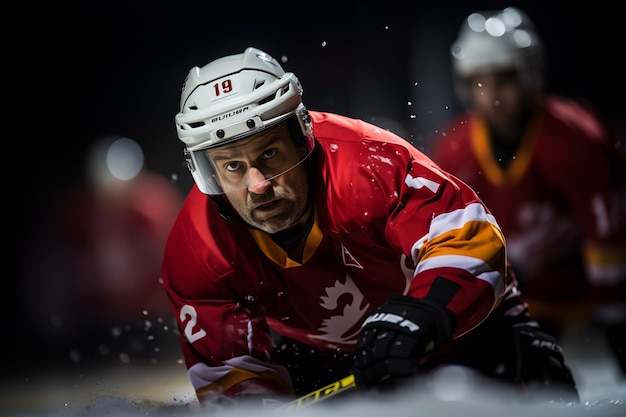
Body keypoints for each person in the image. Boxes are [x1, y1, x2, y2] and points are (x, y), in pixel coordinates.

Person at [161, 46, 579, 410]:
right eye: (233, 166)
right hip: (338, 365)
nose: (258, 185)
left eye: (270, 154)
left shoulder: (369, 164)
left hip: (466, 332)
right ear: (206, 171)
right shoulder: (196, 252)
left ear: (303, 136)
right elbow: (234, 387)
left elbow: (474, 239)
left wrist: (422, 315)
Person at [429, 7, 626, 376]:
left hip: (591, 290)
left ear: (529, 75)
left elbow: (609, 235)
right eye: (480, 83)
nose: (494, 96)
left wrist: (615, 317)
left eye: (504, 79)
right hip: (527, 298)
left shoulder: (575, 138)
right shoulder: (455, 149)